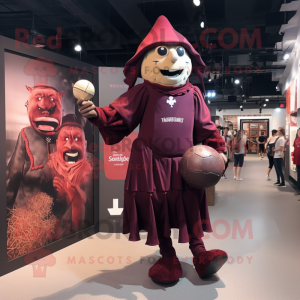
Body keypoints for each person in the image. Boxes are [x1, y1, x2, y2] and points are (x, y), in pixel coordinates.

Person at [77, 16, 228, 284]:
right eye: (161, 54)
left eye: (179, 54)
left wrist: (219, 150)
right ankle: (167, 255)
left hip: (188, 165)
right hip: (150, 164)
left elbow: (206, 128)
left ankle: (200, 253)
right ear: (144, 61)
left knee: (189, 204)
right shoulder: (143, 92)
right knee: (157, 206)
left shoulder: (193, 94)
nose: (172, 61)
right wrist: (96, 114)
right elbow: (118, 115)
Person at [292, 128, 300, 197]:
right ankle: (298, 189)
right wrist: (294, 161)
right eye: (298, 132)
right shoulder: (296, 140)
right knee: (299, 176)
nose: (299, 133)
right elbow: (294, 150)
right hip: (298, 162)